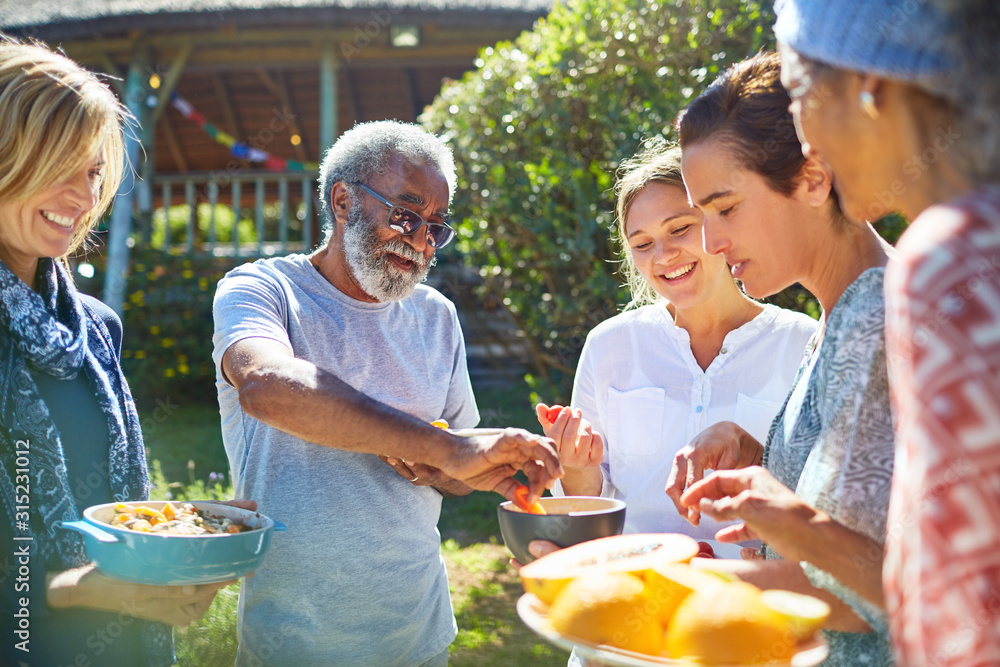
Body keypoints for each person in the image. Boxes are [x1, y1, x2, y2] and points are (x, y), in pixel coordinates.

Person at [212, 120, 562, 666]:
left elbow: (451, 463)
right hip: (292, 642)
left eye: (436, 226)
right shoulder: (263, 289)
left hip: (416, 637)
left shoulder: (437, 316)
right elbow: (265, 386)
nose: (422, 241)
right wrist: (446, 448)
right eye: (406, 215)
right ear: (345, 200)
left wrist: (471, 463)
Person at [773, 0, 1000, 662]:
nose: (804, 141)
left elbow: (962, 609)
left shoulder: (951, 257)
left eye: (797, 92)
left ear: (871, 84)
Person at [0, 40, 239, 667]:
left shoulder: (96, 330)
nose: (82, 197)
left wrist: (192, 528)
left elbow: (100, 499)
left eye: (93, 172)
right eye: (60, 164)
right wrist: (82, 590)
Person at [666, 52, 896, 665]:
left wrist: (641, 591)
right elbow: (864, 510)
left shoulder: (872, 316)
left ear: (814, 177)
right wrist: (762, 458)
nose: (711, 243)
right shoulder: (839, 312)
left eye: (726, 207)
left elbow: (864, 594)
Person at [535, 139, 816, 544]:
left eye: (680, 228)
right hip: (641, 583)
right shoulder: (609, 345)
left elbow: (824, 494)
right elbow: (586, 505)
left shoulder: (802, 343)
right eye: (643, 244)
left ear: (717, 223)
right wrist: (577, 464)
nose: (663, 255)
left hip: (756, 590)